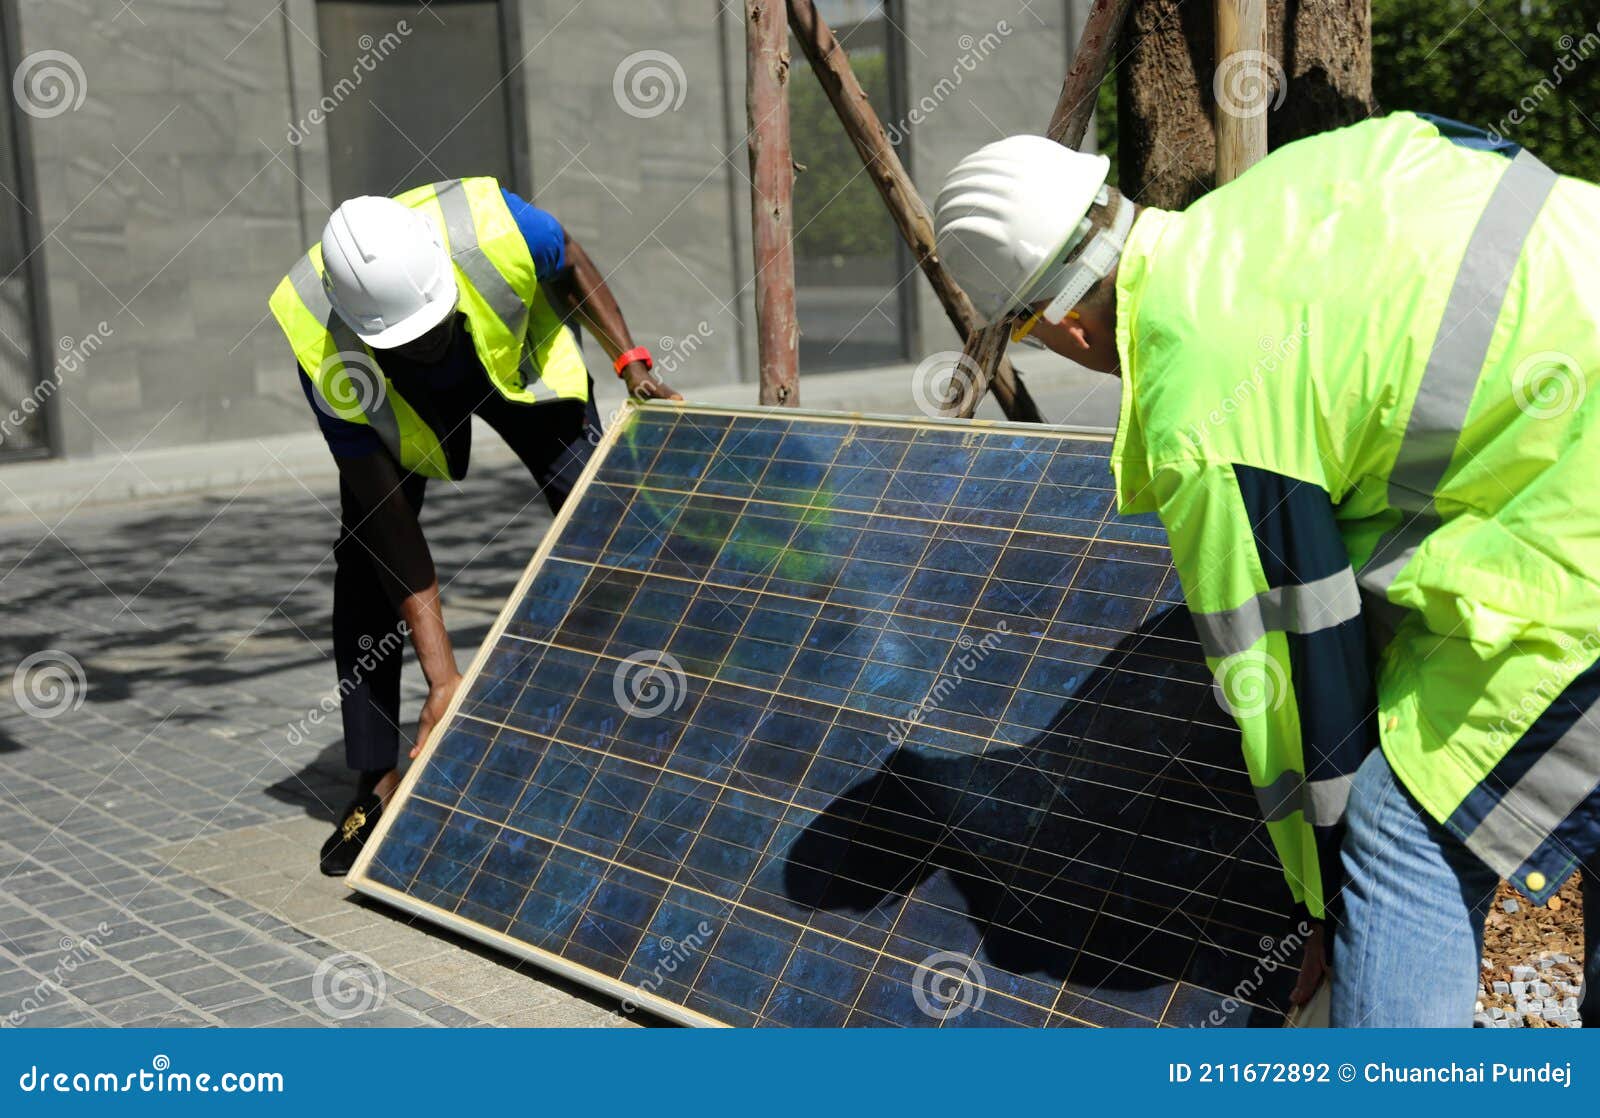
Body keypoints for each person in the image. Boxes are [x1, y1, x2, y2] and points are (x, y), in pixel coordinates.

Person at [934, 112, 1600, 1028]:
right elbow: (1466, 144)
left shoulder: (1202, 403)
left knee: (1400, 838)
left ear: (1059, 326)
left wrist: (1319, 907)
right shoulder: (1287, 185)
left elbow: (1290, 682)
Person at [267, 177, 680, 876]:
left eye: (428, 332)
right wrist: (443, 677)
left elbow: (572, 258)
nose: (424, 347)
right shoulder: (321, 338)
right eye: (409, 340)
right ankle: (375, 777)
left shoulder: (498, 228)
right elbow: (388, 524)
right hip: (392, 401)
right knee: (365, 561)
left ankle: (656, 728)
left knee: (608, 526)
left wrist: (629, 360)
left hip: (514, 364)